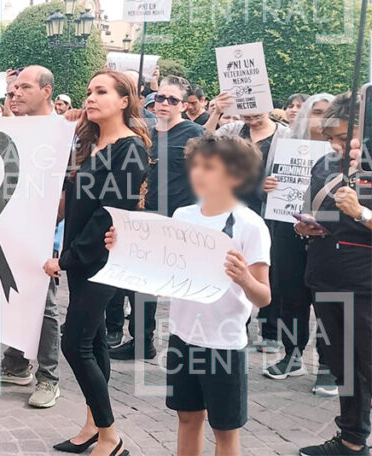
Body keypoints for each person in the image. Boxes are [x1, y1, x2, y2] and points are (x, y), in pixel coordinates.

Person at [105, 132, 271, 456]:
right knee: (187, 418)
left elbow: (263, 296)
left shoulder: (250, 226)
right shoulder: (183, 216)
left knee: (225, 431)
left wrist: (244, 279)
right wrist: (123, 248)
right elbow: (161, 269)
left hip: (224, 343)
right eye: (196, 165)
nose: (198, 173)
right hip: (183, 335)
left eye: (209, 167)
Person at [43, 70, 149, 456]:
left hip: (104, 259)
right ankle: (92, 425)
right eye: (88, 91)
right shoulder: (87, 144)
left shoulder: (130, 148)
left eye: (101, 91)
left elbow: (109, 214)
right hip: (83, 257)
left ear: (124, 100)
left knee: (75, 343)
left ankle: (111, 436)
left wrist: (66, 259)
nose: (91, 97)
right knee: (95, 340)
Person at [0, 66, 65, 407]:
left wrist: (48, 223)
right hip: (7, 226)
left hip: (42, 234)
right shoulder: (10, 128)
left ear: (47, 91)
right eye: (12, 90)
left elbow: (65, 187)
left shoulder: (61, 131)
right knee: (11, 294)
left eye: (24, 88)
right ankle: (15, 363)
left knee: (44, 304)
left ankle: (48, 378)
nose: (15, 94)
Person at [295, 95, 372, 456]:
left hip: (364, 283)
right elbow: (315, 211)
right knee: (342, 363)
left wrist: (361, 212)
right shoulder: (325, 164)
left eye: (343, 137)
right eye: (331, 138)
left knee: (367, 364)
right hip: (324, 274)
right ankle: (352, 439)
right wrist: (306, 227)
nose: (336, 146)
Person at [109, 75, 204, 361]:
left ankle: (191, 342)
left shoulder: (195, 134)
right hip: (142, 216)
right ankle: (142, 340)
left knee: (182, 283)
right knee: (139, 282)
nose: (163, 103)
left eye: (171, 100)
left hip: (178, 219)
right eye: (160, 97)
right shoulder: (145, 132)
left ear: (184, 105)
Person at [263, 93, 338, 392]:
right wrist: (267, 185)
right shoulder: (285, 147)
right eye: (317, 111)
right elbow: (269, 181)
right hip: (286, 227)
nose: (322, 118)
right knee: (290, 293)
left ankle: (329, 364)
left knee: (326, 300)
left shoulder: (347, 152)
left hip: (327, 234)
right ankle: (291, 354)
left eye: (328, 112)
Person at [207, 92, 290, 354]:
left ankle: (270, 331)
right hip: (233, 209)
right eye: (247, 110)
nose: (252, 115)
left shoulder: (285, 135)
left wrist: (278, 184)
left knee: (267, 270)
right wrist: (215, 113)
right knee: (232, 267)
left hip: (268, 214)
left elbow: (296, 173)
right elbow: (204, 145)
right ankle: (237, 324)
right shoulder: (233, 129)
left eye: (257, 110)